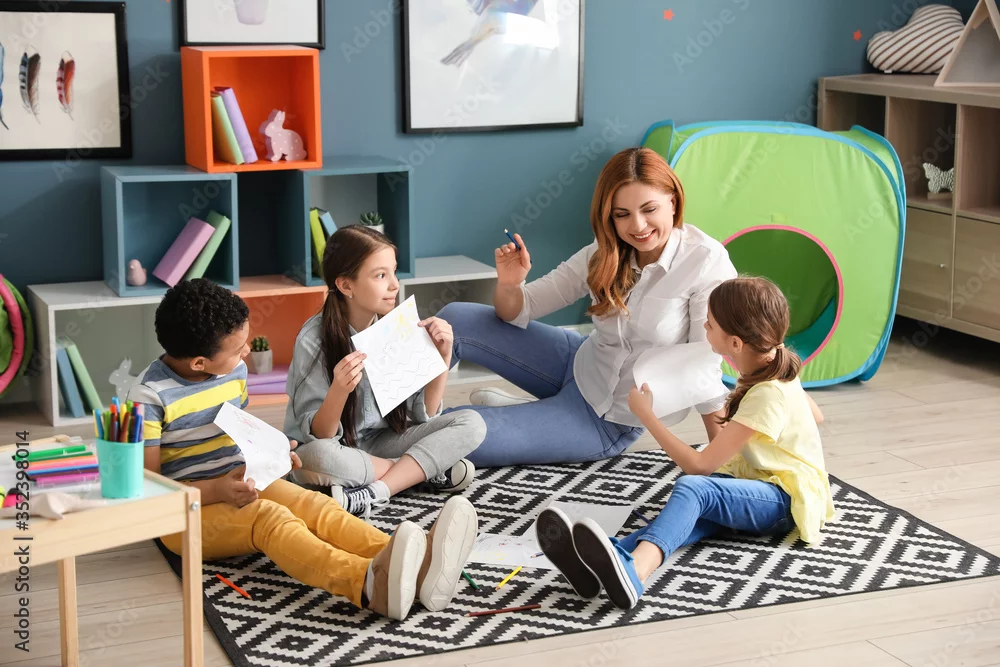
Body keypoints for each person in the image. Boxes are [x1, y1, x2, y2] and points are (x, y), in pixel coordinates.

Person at [130, 279, 479, 620]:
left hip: (239, 481)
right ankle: (368, 584)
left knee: (314, 504)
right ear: (198, 363)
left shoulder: (232, 370)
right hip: (182, 515)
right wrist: (218, 489)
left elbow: (239, 430)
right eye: (238, 349)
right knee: (271, 519)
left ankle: (419, 562)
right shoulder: (149, 398)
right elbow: (151, 492)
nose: (247, 352)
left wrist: (271, 453)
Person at [536, 277, 834, 609]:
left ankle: (636, 571)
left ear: (736, 343)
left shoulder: (768, 393)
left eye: (710, 324)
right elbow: (816, 416)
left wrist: (647, 415)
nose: (704, 326)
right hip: (765, 484)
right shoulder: (776, 365)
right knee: (692, 515)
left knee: (695, 489)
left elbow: (699, 467)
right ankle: (612, 558)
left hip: (785, 501)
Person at [437, 147, 738, 467]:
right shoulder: (606, 250)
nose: (638, 226)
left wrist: (722, 462)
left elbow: (701, 368)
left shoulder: (706, 261)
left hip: (608, 419)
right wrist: (511, 285)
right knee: (455, 320)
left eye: (649, 209)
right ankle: (402, 410)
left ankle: (516, 417)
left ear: (673, 202)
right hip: (578, 361)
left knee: (454, 434)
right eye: (622, 214)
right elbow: (519, 310)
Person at [285, 225, 487, 518]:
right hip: (335, 451)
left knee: (472, 423)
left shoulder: (397, 326)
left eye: (393, 272)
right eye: (380, 275)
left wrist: (442, 357)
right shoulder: (312, 340)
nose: (394, 285)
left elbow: (423, 415)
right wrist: (340, 389)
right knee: (314, 459)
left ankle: (376, 490)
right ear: (346, 285)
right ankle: (416, 472)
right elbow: (320, 436)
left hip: (383, 444)